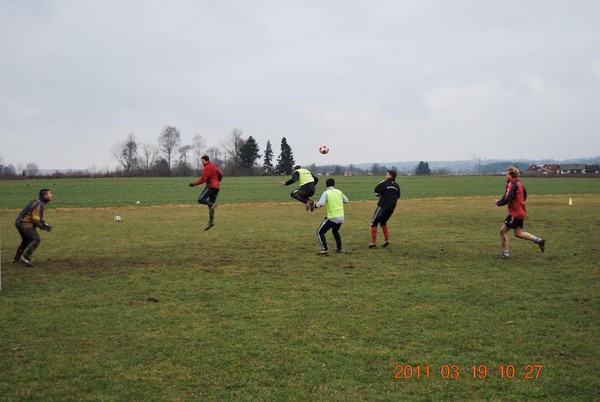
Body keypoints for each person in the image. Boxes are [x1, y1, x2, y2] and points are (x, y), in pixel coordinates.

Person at [495, 165, 545, 259]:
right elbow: (524, 196)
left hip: (515, 213)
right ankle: (539, 240)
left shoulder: (512, 184)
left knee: (503, 231)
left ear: (511, 175)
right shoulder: (520, 184)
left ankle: (505, 254)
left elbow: (508, 198)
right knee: (518, 233)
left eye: (507, 174)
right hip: (521, 212)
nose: (506, 176)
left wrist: (499, 203)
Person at [14, 188, 54, 267]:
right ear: (45, 196)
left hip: (19, 222)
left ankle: (17, 258)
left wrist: (45, 225)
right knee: (36, 239)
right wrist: (46, 227)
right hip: (24, 224)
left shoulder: (36, 201)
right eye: (50, 194)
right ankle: (25, 257)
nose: (51, 195)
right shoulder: (40, 204)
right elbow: (36, 219)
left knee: (26, 240)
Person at [315, 178, 349, 255]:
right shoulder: (339, 192)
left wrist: (315, 206)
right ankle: (339, 249)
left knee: (320, 232)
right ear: (334, 184)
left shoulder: (326, 193)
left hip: (332, 217)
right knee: (335, 231)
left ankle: (325, 249)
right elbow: (346, 201)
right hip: (341, 217)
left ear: (326, 185)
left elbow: (321, 204)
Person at [189, 155, 223, 230]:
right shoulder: (213, 166)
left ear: (207, 161)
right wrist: (218, 180)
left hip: (211, 186)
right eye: (201, 161)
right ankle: (211, 222)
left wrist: (194, 184)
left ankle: (213, 205)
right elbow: (221, 173)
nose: (202, 163)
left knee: (200, 199)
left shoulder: (208, 167)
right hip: (217, 187)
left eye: (203, 161)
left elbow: (203, 179)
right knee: (211, 206)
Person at [369, 169, 401, 248]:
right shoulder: (397, 185)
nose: (386, 175)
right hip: (392, 207)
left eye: (387, 174)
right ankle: (386, 240)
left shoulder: (384, 182)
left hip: (383, 206)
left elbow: (376, 192)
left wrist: (383, 194)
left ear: (390, 175)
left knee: (374, 222)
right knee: (383, 222)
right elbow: (398, 196)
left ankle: (373, 243)